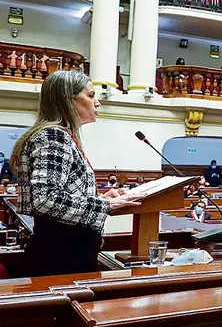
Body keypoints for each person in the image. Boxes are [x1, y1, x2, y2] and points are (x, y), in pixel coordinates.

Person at [10, 71, 140, 276]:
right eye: (90, 96)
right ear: (68, 100)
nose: (97, 103)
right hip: (60, 258)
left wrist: (98, 198)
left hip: (67, 254)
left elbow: (60, 195)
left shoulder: (62, 135)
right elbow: (45, 200)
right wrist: (106, 205)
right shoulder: (54, 136)